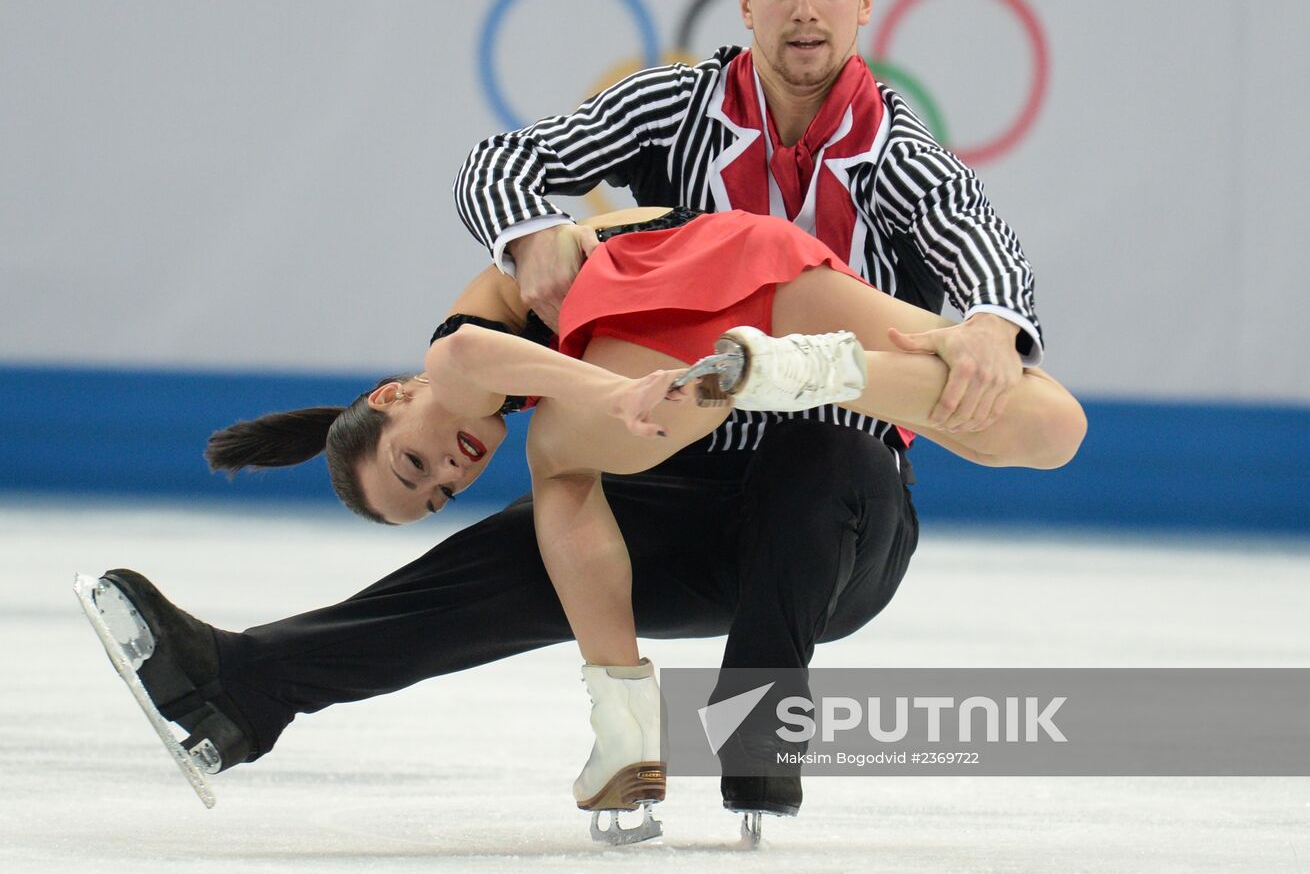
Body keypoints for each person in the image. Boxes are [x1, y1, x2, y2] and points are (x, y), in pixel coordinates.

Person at [86, 0, 1057, 828]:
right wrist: (529, 237)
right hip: (687, 479)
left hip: (840, 531)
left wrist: (987, 321)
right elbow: (501, 166)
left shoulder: (894, 152)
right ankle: (247, 688)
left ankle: (761, 728)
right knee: (525, 542)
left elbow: (971, 231)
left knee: (823, 455)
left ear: (864, 0)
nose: (803, 9)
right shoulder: (673, 111)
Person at [202, 205, 1082, 813]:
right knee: (1048, 425)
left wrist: (614, 395)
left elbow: (476, 350)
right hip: (761, 268)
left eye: (415, 461)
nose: (451, 473)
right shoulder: (495, 402)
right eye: (438, 495)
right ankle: (813, 370)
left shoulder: (455, 360)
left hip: (665, 321)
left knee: (557, 466)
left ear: (393, 394)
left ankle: (624, 725)